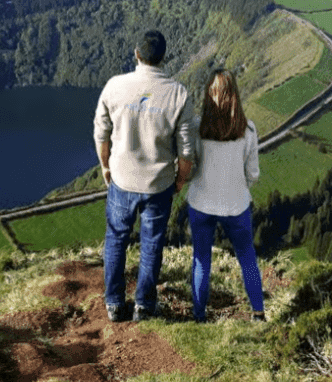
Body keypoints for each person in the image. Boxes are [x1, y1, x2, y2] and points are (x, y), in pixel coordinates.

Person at [93, 29, 194, 322]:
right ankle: (144, 306)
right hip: (159, 184)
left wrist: (105, 166)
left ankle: (113, 303)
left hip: (122, 180)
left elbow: (101, 133)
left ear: (137, 54)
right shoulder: (178, 93)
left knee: (116, 239)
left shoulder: (114, 86)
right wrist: (180, 179)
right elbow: (187, 149)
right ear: (163, 58)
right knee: (151, 244)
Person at [187, 68, 264, 322]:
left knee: (201, 261)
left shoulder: (198, 128)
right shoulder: (249, 130)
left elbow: (192, 166)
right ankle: (258, 313)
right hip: (236, 205)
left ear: (210, 94)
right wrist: (238, 187)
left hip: (201, 202)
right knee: (247, 259)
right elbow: (253, 173)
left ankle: (199, 315)